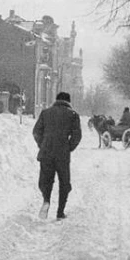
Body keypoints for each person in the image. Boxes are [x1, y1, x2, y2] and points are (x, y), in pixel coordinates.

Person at [32, 92, 82, 220]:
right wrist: (68, 147)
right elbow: (77, 136)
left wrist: (42, 144)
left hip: (46, 153)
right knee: (64, 183)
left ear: (56, 100)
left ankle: (46, 200)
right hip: (62, 154)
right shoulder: (73, 115)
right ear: (68, 102)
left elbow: (36, 131)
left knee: (46, 180)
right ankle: (60, 212)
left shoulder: (45, 113)